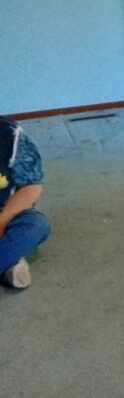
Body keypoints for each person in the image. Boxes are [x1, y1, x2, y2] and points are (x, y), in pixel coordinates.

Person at [0, 116, 51, 289]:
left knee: (36, 225)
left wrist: (2, 221)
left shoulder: (11, 136)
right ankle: (10, 262)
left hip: (8, 212)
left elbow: (31, 186)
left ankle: (8, 257)